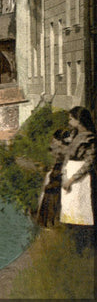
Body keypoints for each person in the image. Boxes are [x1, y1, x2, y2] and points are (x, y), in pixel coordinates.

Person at [60, 106, 95, 250]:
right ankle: (73, 248)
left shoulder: (90, 138)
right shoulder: (75, 135)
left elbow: (89, 163)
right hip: (69, 173)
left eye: (71, 119)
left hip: (81, 179)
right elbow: (67, 156)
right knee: (69, 212)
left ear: (79, 120)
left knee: (81, 214)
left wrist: (72, 179)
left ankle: (83, 249)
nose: (69, 121)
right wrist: (64, 175)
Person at [36, 128, 72, 228]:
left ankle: (50, 225)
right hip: (56, 179)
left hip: (56, 181)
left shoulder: (63, 151)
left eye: (54, 140)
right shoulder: (64, 150)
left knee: (51, 203)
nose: (53, 143)